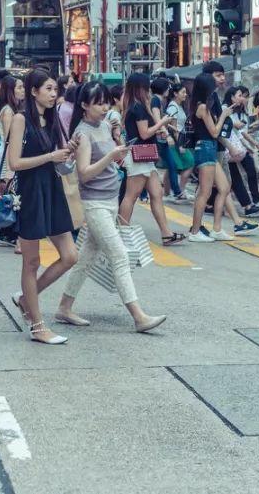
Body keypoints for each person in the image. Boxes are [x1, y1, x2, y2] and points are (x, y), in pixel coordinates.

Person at [55, 82, 166, 333]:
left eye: (107, 102)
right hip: (94, 203)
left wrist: (117, 146)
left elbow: (111, 160)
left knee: (86, 258)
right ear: (84, 105)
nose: (105, 107)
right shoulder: (82, 134)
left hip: (110, 200)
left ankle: (64, 307)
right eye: (98, 103)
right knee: (119, 254)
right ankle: (139, 317)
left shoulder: (105, 125)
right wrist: (109, 156)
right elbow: (83, 174)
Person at [8, 69, 78, 345]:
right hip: (31, 191)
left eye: (54, 89)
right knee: (31, 261)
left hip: (52, 188)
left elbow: (56, 161)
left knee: (70, 255)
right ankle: (37, 326)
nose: (53, 94)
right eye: (48, 89)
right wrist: (50, 155)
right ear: (33, 91)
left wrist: (66, 152)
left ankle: (26, 299)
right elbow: (15, 163)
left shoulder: (51, 120)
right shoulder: (20, 119)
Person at [118, 73, 183, 245]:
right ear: (141, 87)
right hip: (139, 155)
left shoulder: (134, 105)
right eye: (147, 86)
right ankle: (122, 234)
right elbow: (144, 133)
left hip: (143, 156)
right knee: (131, 196)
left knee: (157, 194)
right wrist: (162, 123)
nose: (149, 89)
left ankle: (166, 233)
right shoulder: (138, 107)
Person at [187, 72, 236, 242]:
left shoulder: (203, 105)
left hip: (209, 149)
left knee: (224, 188)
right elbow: (214, 132)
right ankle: (194, 231)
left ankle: (216, 229)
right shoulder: (202, 107)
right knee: (205, 192)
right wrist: (223, 115)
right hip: (206, 148)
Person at [222, 87, 259, 217]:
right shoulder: (224, 109)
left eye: (244, 96)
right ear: (232, 97)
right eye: (240, 95)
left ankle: (248, 206)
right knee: (220, 183)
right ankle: (210, 206)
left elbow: (240, 133)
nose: (243, 98)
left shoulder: (239, 112)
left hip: (232, 150)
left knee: (233, 179)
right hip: (224, 150)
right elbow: (221, 130)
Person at [0, 74, 25, 249]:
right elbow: (10, 139)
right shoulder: (8, 111)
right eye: (19, 88)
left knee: (11, 197)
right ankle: (6, 233)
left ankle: (8, 234)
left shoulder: (11, 110)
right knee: (11, 197)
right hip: (8, 161)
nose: (23, 91)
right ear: (11, 91)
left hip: (9, 160)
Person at [164, 84, 194, 203]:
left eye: (185, 92)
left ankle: (169, 192)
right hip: (175, 141)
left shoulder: (178, 106)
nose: (185, 94)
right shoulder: (173, 107)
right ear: (175, 93)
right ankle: (179, 191)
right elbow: (174, 128)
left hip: (177, 140)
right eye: (183, 92)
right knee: (190, 162)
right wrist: (180, 144)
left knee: (171, 166)